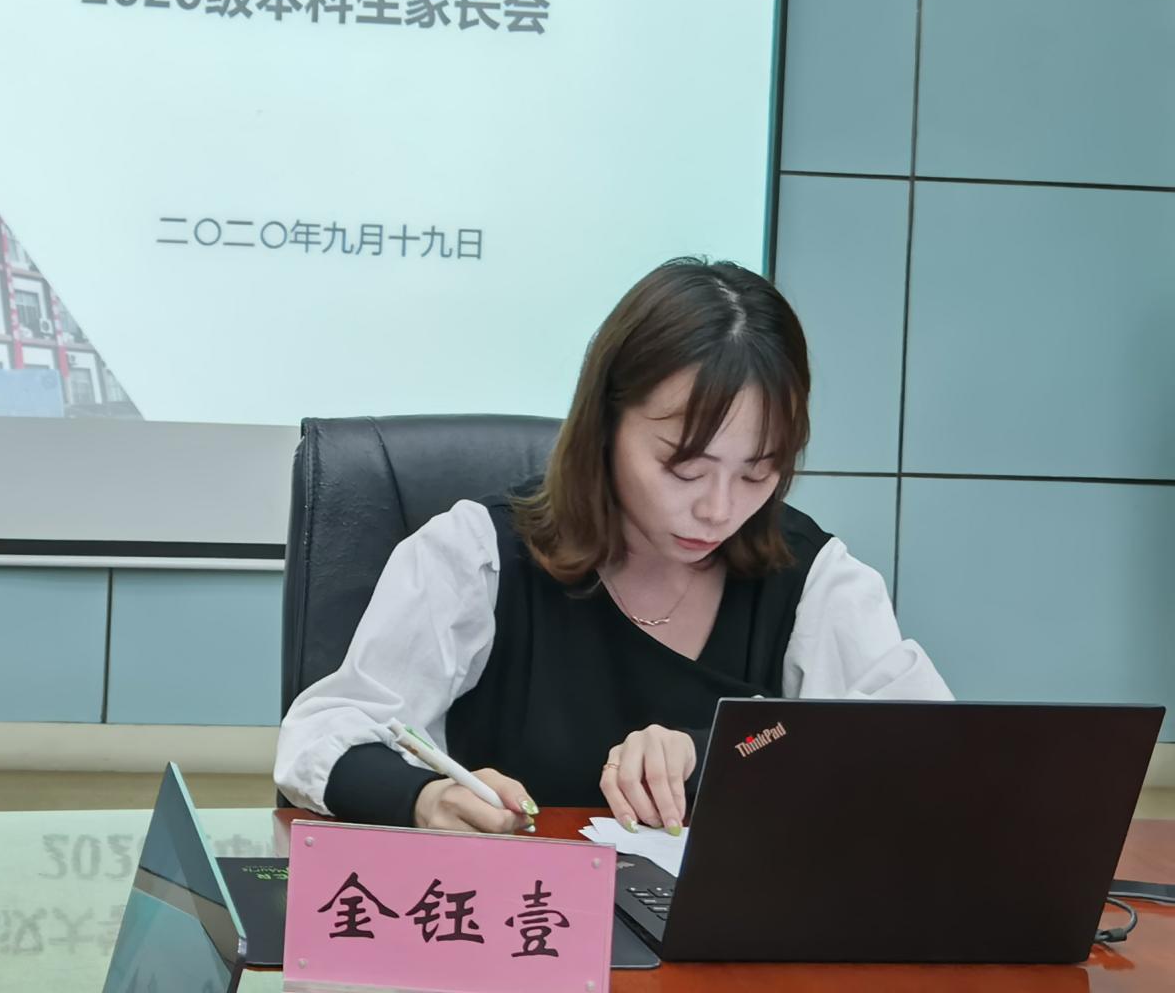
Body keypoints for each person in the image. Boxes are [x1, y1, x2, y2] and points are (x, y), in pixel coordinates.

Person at [274, 257, 949, 838]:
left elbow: (925, 754)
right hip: (525, 928)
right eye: (683, 467)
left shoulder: (813, 577)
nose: (719, 509)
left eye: (757, 472)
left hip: (732, 934)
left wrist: (713, 751)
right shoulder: (479, 556)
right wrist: (425, 798)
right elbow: (324, 734)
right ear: (604, 425)